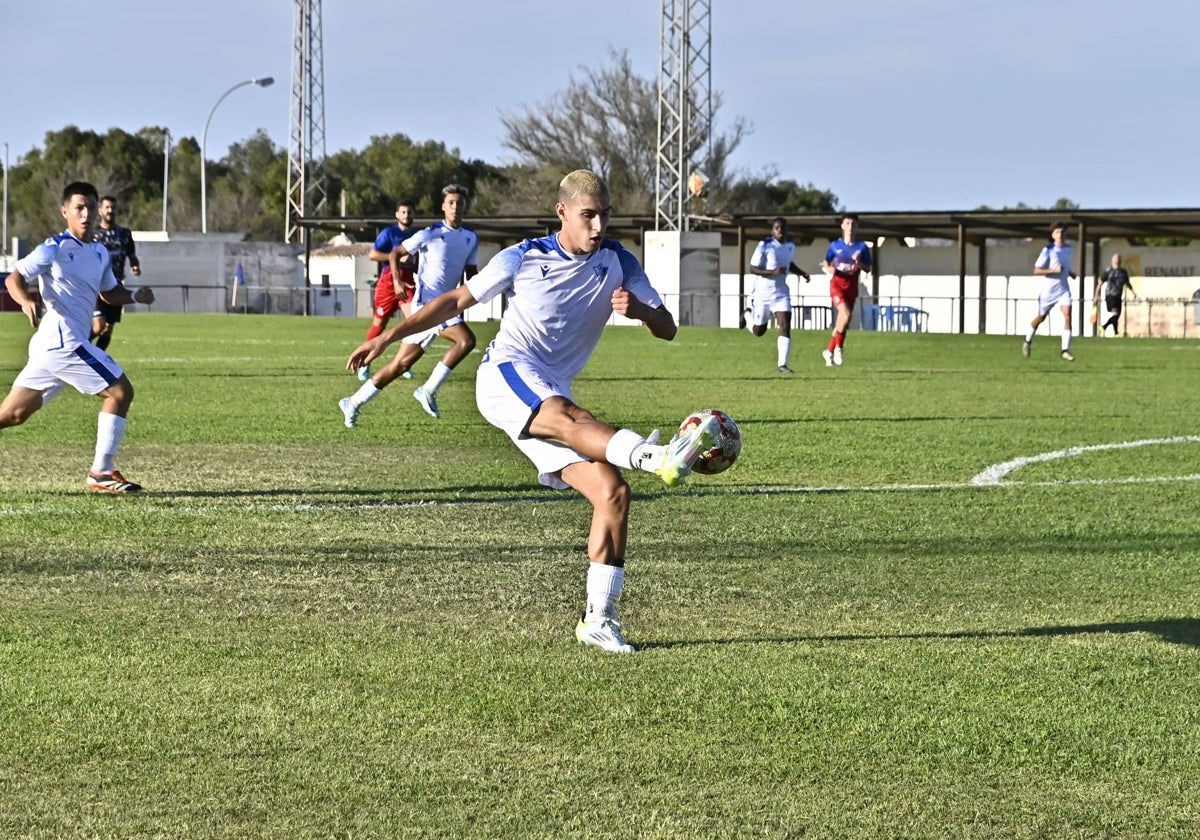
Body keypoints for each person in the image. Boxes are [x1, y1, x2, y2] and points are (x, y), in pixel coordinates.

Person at [345, 169, 719, 654]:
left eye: (605, 215)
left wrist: (643, 312)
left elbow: (668, 328)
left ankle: (599, 620)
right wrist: (388, 336)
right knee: (568, 415)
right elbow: (456, 300)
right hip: (506, 374)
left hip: (548, 391)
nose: (598, 225)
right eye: (588, 215)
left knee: (612, 493)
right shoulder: (524, 256)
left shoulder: (620, 261)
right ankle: (658, 458)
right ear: (563, 212)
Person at [1, 181, 155, 493]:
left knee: (14, 414)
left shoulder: (99, 252)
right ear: (65, 211)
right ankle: (101, 472)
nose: (85, 214)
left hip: (51, 348)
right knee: (120, 392)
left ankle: (102, 472)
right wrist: (25, 300)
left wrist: (136, 295)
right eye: (78, 208)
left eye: (90, 207)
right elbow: (15, 277)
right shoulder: (53, 247)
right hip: (64, 344)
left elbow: (109, 292)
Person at [339, 184, 479, 426]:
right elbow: (394, 254)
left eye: (460, 203)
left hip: (447, 307)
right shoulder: (429, 234)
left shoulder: (470, 238)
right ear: (443, 207)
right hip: (426, 305)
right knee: (466, 340)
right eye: (451, 203)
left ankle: (353, 402)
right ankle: (427, 390)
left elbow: (471, 274)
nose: (456, 207)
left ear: (465, 207)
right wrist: (396, 282)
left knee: (400, 364)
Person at [357, 198, 418, 382]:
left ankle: (402, 363)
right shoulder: (389, 233)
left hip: (408, 282)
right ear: (397, 215)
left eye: (409, 212)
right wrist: (397, 259)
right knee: (379, 325)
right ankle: (364, 364)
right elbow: (373, 254)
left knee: (414, 323)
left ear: (414, 214)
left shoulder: (418, 234)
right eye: (403, 212)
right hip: (389, 282)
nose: (406, 215)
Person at [744, 217, 810, 373]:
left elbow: (789, 264)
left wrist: (802, 273)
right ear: (772, 231)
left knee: (785, 325)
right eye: (777, 228)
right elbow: (753, 268)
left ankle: (782, 365)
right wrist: (772, 272)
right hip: (762, 294)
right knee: (759, 331)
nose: (780, 231)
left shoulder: (790, 246)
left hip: (781, 293)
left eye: (783, 228)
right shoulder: (765, 245)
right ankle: (747, 316)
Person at [90, 195, 141, 351]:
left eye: (113, 207)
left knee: (107, 330)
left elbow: (132, 256)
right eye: (107, 207)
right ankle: (75, 348)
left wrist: (135, 266)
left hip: (116, 285)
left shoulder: (124, 234)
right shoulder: (93, 234)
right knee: (98, 326)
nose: (110, 210)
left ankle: (96, 361)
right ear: (100, 211)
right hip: (97, 286)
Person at [820, 213, 872, 366]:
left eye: (853, 224)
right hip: (837, 285)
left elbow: (867, 268)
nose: (850, 227)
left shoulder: (862, 247)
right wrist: (828, 268)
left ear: (857, 227)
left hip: (852, 287)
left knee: (843, 322)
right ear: (842, 226)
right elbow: (826, 260)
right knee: (846, 314)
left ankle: (828, 351)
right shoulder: (835, 246)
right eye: (847, 223)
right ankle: (838, 349)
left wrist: (859, 262)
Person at [1023, 221, 1076, 361]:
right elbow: (1037, 270)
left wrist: (1070, 273)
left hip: (1063, 289)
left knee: (1068, 316)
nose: (1060, 235)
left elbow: (1063, 267)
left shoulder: (1069, 249)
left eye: (1063, 232)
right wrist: (1053, 271)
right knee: (1041, 318)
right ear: (1053, 235)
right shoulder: (1048, 250)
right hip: (1049, 291)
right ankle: (1027, 340)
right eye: (1057, 232)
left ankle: (1065, 350)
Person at [1094, 253, 1136, 337]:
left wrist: (1133, 293)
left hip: (1118, 295)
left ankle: (1107, 329)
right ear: (1112, 260)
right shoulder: (1108, 271)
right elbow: (1100, 284)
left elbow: (1127, 283)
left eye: (1118, 259)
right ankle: (1111, 330)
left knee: (1117, 315)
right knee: (1115, 314)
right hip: (1110, 295)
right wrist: (1096, 296)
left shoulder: (1123, 272)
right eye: (1115, 259)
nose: (1117, 260)